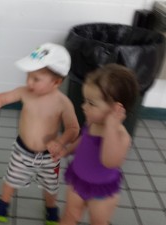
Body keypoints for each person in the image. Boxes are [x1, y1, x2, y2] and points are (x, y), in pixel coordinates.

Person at [0, 43, 80, 225]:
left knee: (51, 186)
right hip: (22, 151)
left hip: (50, 156)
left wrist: (61, 141)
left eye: (36, 79)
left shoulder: (63, 103)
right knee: (11, 179)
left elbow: (73, 128)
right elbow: (1, 98)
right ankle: (4, 202)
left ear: (56, 82)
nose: (29, 82)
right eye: (28, 76)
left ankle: (50, 208)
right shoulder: (25, 93)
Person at [58, 64, 139, 225]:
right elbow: (84, 140)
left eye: (91, 103)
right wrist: (66, 151)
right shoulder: (93, 123)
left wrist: (111, 125)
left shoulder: (122, 136)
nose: (83, 106)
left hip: (102, 190)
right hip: (78, 179)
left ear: (116, 109)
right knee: (70, 214)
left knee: (98, 221)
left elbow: (109, 161)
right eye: (85, 101)